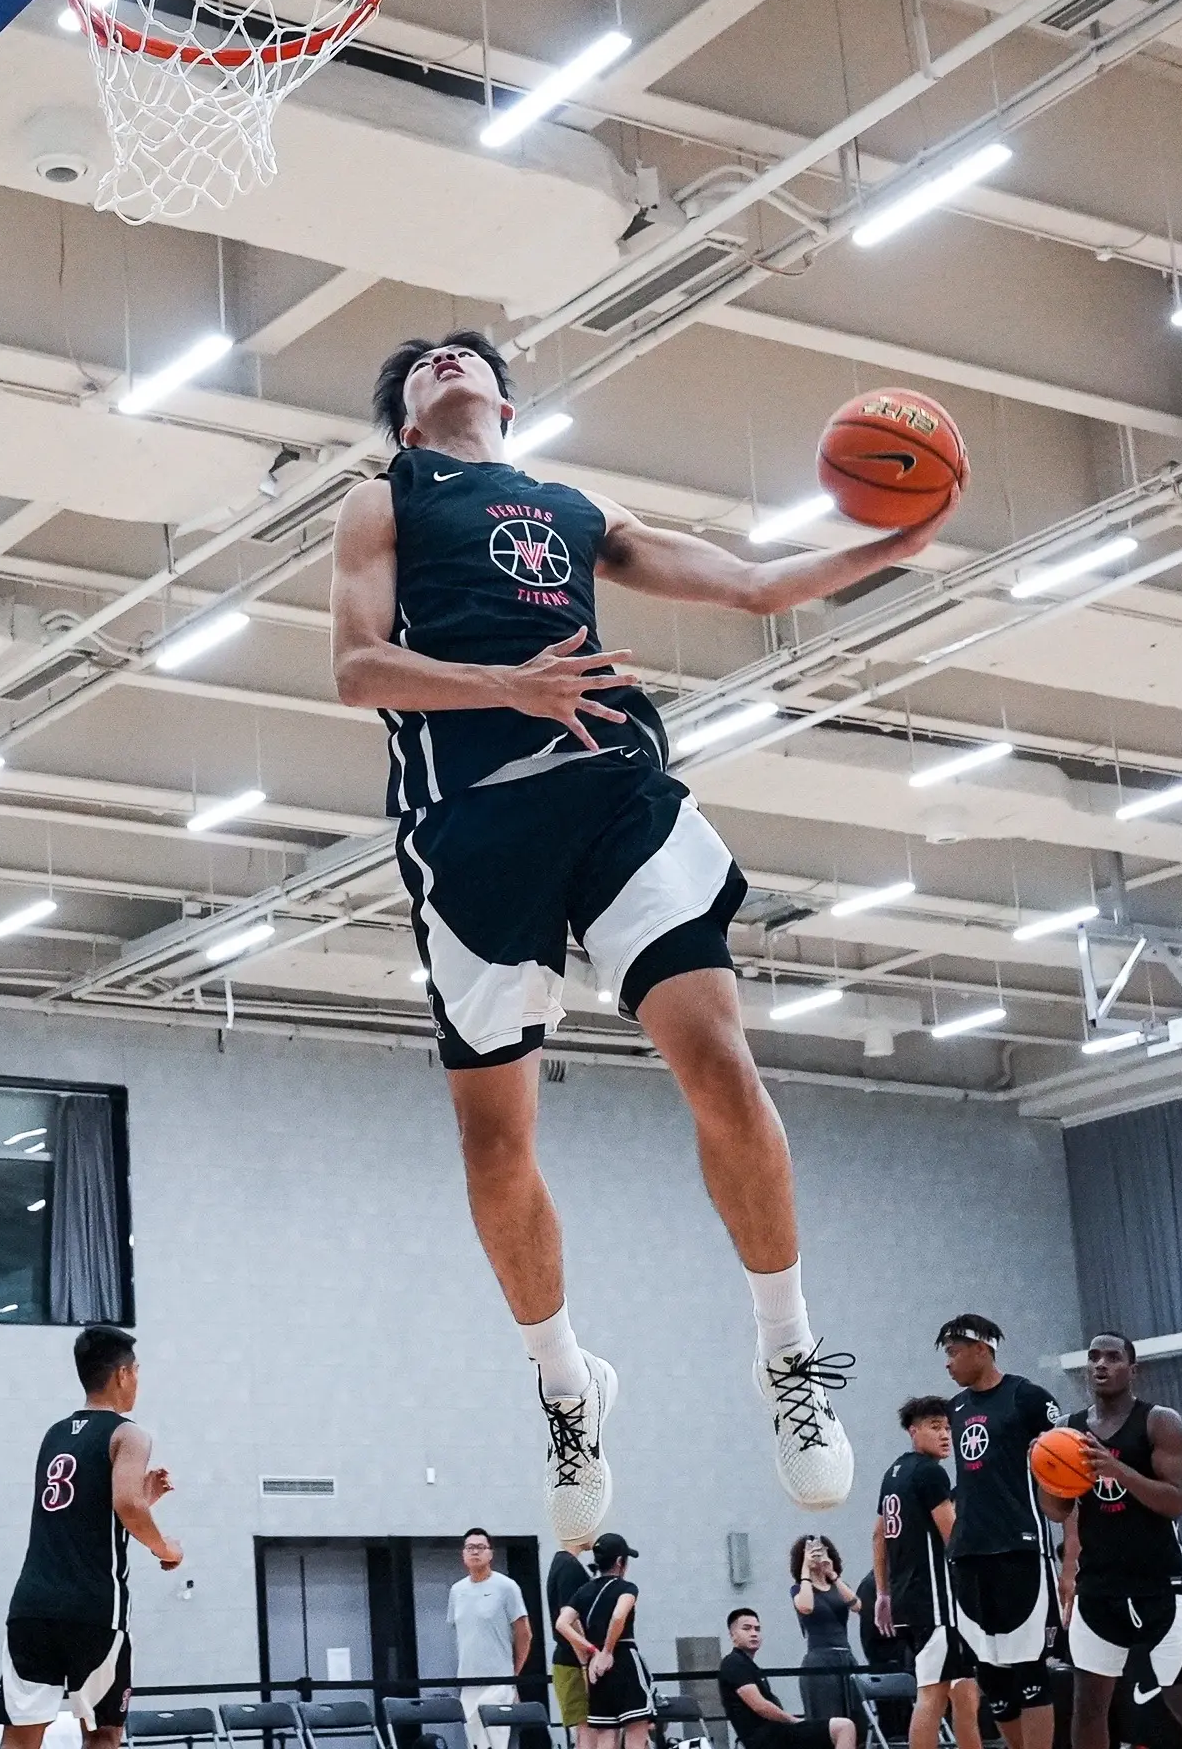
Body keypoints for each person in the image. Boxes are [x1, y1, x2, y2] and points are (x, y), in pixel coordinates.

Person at [331, 335, 957, 1533]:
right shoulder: (384, 497)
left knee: (719, 1059)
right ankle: (566, 1385)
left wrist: (887, 544)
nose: (444, 358)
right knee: (496, 1148)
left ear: (507, 402)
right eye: (417, 364)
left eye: (465, 352)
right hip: (472, 820)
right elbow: (358, 670)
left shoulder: (576, 506)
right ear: (408, 420)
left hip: (615, 786)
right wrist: (507, 688)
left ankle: (786, 1352)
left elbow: (751, 584)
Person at [0, 1325, 181, 1749]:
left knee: (20, 1735)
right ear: (123, 1375)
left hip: (32, 1606)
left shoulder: (54, 1434)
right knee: (103, 1732)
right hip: (93, 1607)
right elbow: (127, 1506)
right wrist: (167, 1549)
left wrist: (142, 1499)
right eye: (137, 1371)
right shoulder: (129, 1434)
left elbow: (82, 1510)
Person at [1046, 1333, 1182, 1749]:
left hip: (1158, 1584)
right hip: (1099, 1585)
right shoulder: (1066, 1430)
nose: (1100, 1364)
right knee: (1088, 1707)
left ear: (1133, 1369)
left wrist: (1118, 1470)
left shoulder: (1159, 1421)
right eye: (1094, 1357)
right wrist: (1044, 1470)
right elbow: (1056, 1511)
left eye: (1112, 1357)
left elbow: (1175, 1502)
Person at [937, 1314, 1060, 1749]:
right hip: (969, 1554)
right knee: (989, 1675)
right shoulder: (955, 1409)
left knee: (1029, 1670)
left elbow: (1069, 1473)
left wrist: (1071, 1560)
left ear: (982, 1350)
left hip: (1019, 1551)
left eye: (954, 1352)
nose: (948, 1363)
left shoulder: (1028, 1398)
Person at [873, 1394, 980, 1749]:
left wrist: (883, 1593)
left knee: (965, 1692)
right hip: (936, 1601)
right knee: (932, 1694)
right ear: (913, 1431)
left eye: (948, 1427)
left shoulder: (893, 1473)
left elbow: (877, 1535)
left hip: (910, 1598)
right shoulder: (930, 1472)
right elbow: (954, 1538)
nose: (946, 1435)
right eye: (936, 1427)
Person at [556, 1534, 654, 1749]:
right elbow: (619, 1616)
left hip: (596, 1668)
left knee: (605, 1734)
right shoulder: (627, 1588)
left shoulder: (583, 1591)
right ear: (620, 1562)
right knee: (636, 1730)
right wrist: (608, 1651)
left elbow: (562, 1623)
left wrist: (593, 1650)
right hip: (624, 1659)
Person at [716, 1608, 855, 1749]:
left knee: (837, 1731)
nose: (753, 1633)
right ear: (733, 1635)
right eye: (747, 1629)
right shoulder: (733, 1663)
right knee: (844, 1727)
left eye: (757, 1629)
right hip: (768, 1738)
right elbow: (760, 1706)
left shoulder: (748, 1665)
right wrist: (793, 1720)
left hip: (778, 1733)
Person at [449, 1527, 533, 1749]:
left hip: (498, 1681)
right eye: (470, 1547)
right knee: (475, 1743)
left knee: (497, 1743)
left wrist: (513, 1674)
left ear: (490, 1553)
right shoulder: (456, 1591)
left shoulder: (506, 1587)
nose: (475, 1552)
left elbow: (524, 1633)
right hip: (467, 1681)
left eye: (480, 1547)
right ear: (463, 1553)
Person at [788, 1536, 855, 1729]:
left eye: (821, 1550)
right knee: (828, 1717)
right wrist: (806, 1570)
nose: (817, 1555)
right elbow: (806, 1607)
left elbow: (856, 1605)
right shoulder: (799, 1589)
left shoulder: (839, 1587)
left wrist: (832, 1574)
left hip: (845, 1655)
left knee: (855, 1715)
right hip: (820, 1657)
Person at [546, 1542, 594, 1734]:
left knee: (585, 1731)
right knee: (587, 1731)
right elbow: (569, 1619)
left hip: (570, 1660)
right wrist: (586, 1661)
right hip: (574, 1661)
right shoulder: (569, 1566)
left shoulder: (562, 1563)